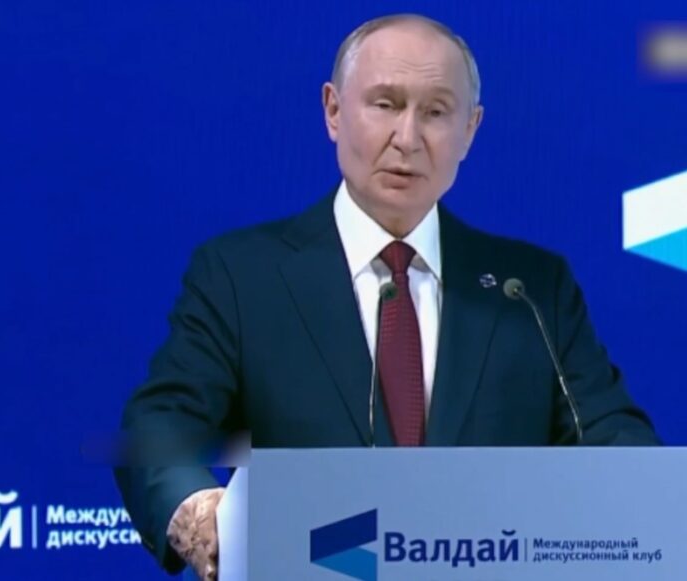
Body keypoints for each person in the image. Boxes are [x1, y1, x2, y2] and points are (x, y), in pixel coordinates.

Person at [114, 13, 659, 579]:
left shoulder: (529, 288)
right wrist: (199, 513)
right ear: (333, 111)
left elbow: (610, 433)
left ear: (470, 130)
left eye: (436, 112)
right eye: (385, 104)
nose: (407, 138)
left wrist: (646, 504)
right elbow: (160, 425)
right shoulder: (240, 275)